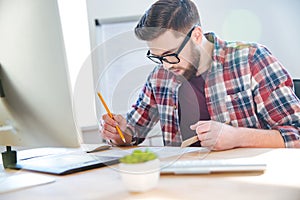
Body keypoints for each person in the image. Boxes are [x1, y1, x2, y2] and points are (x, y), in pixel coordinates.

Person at [101, 0, 300, 150]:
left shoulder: (251, 59)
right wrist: (121, 133)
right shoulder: (159, 77)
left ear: (196, 36)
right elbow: (134, 131)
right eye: (158, 57)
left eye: (171, 55)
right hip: (184, 185)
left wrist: (237, 137)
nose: (166, 66)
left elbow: (296, 135)